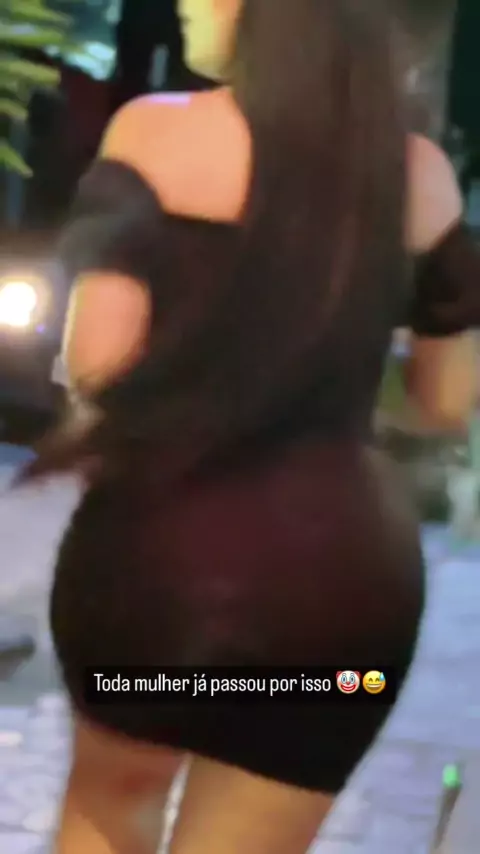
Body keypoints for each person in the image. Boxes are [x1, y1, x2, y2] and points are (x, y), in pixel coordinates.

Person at [17, 1, 480, 852]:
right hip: (344, 599)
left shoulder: (156, 133)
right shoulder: (420, 175)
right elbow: (447, 401)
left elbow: (97, 363)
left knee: (110, 814)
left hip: (160, 571)